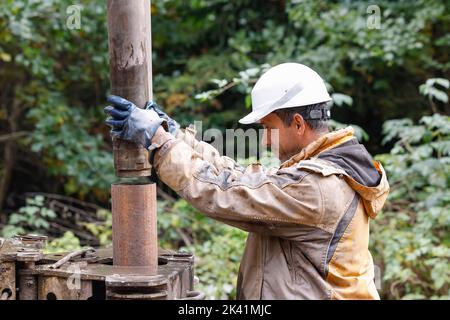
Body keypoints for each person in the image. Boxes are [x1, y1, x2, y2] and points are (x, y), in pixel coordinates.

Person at [104, 63, 389, 300]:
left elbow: (228, 194)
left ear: (299, 124)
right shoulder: (317, 171)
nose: (265, 140)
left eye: (268, 128)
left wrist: (159, 141)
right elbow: (240, 180)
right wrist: (175, 136)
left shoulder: (318, 187)